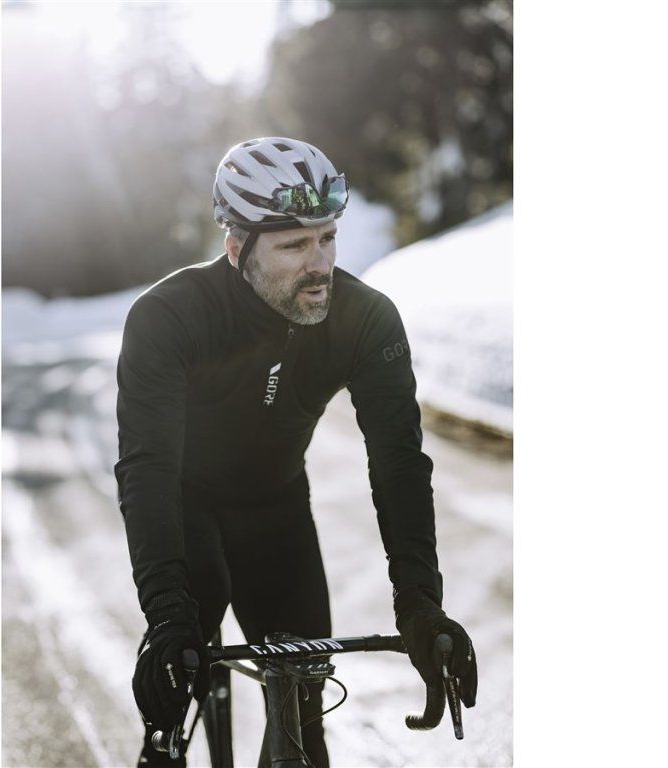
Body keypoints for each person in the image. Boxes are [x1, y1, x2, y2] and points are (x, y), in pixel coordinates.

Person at [115, 137, 477, 767]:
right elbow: (146, 469)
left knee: (306, 724)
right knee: (172, 699)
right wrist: (167, 612)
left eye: (327, 238)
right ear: (237, 249)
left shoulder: (366, 319)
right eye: (294, 246)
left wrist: (420, 601)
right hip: (184, 508)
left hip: (276, 511)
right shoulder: (169, 318)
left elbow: (399, 462)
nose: (320, 264)